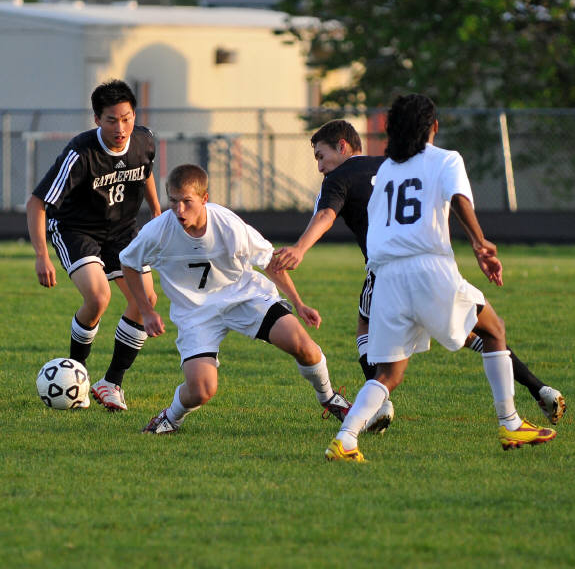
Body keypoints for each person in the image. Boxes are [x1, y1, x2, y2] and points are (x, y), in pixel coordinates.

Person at [273, 119, 565, 429]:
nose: (320, 166)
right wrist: (477, 242)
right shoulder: (394, 165)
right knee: (479, 332)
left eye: (321, 156)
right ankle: (539, 390)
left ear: (342, 146)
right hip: (434, 268)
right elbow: (449, 199)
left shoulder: (338, 178)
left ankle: (372, 414)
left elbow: (325, 214)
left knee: (366, 329)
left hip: (389, 271)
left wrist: (300, 248)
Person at [325, 94, 557, 461]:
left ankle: (345, 439)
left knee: (389, 374)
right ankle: (510, 423)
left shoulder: (386, 170)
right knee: (493, 330)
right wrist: (479, 242)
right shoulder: (446, 159)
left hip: (386, 277)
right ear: (433, 126)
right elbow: (460, 198)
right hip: (428, 269)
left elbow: (376, 223)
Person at [119, 164, 352, 434]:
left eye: (187, 202)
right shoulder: (158, 230)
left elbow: (269, 262)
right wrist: (147, 311)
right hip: (196, 313)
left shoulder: (228, 224)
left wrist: (298, 304)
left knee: (304, 346)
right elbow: (128, 262)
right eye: (173, 201)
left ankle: (329, 398)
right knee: (202, 389)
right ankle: (170, 417)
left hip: (244, 297)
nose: (179, 210)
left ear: (204, 199)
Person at [26, 79, 161, 411]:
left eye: (126, 118)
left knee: (145, 300)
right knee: (99, 297)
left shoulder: (144, 140)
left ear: (135, 116)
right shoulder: (81, 153)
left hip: (123, 230)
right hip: (76, 230)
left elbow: (144, 172)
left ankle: (111, 383)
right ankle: (77, 376)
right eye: (112, 120)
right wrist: (42, 255)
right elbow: (37, 203)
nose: (121, 128)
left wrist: (157, 212)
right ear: (97, 119)